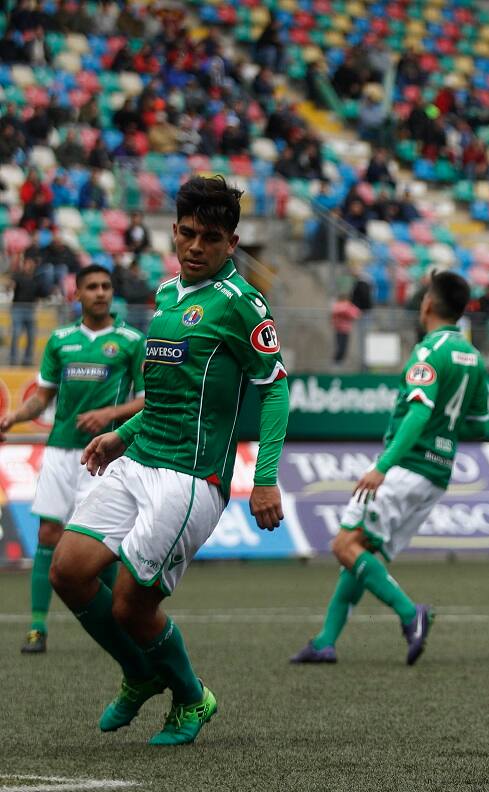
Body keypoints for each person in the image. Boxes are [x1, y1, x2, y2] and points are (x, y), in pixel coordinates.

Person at [47, 175, 290, 746]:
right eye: (186, 234)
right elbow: (166, 395)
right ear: (172, 232)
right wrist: (122, 435)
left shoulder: (242, 304)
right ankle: (138, 673)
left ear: (232, 243)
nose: (195, 247)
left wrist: (267, 478)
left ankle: (190, 696)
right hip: (141, 456)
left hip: (191, 476)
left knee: (133, 604)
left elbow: (274, 389)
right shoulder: (166, 295)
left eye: (210, 237)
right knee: (70, 571)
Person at [291, 271, 489, 666]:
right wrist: (444, 433)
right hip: (437, 473)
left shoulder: (428, 352)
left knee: (344, 545)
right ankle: (325, 640)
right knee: (361, 552)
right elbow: (479, 422)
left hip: (407, 467)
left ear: (428, 305)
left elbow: (418, 413)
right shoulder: (474, 357)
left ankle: (408, 613)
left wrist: (383, 466)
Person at [1, 265, 145, 655]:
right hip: (61, 450)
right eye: (92, 287)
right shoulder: (61, 340)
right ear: (77, 294)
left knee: (101, 541)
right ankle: (36, 627)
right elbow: (42, 397)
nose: (100, 293)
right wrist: (15, 417)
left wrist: (109, 417)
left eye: (106, 287)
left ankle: (118, 623)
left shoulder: (132, 340)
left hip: (106, 453)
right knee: (49, 533)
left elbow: (146, 398)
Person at [8, 253, 41, 365]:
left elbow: (40, 294)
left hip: (31, 309)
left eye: (30, 264)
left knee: (31, 336)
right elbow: (10, 286)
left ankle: (28, 359)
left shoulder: (36, 279)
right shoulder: (17, 276)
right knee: (16, 334)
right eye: (26, 264)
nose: (28, 266)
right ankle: (13, 358)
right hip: (18, 308)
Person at [330, 292, 361, 367]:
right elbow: (338, 311)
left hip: (346, 330)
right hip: (339, 329)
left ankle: (339, 363)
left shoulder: (348, 305)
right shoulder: (338, 305)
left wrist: (346, 311)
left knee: (344, 348)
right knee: (339, 348)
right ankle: (336, 363)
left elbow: (355, 313)